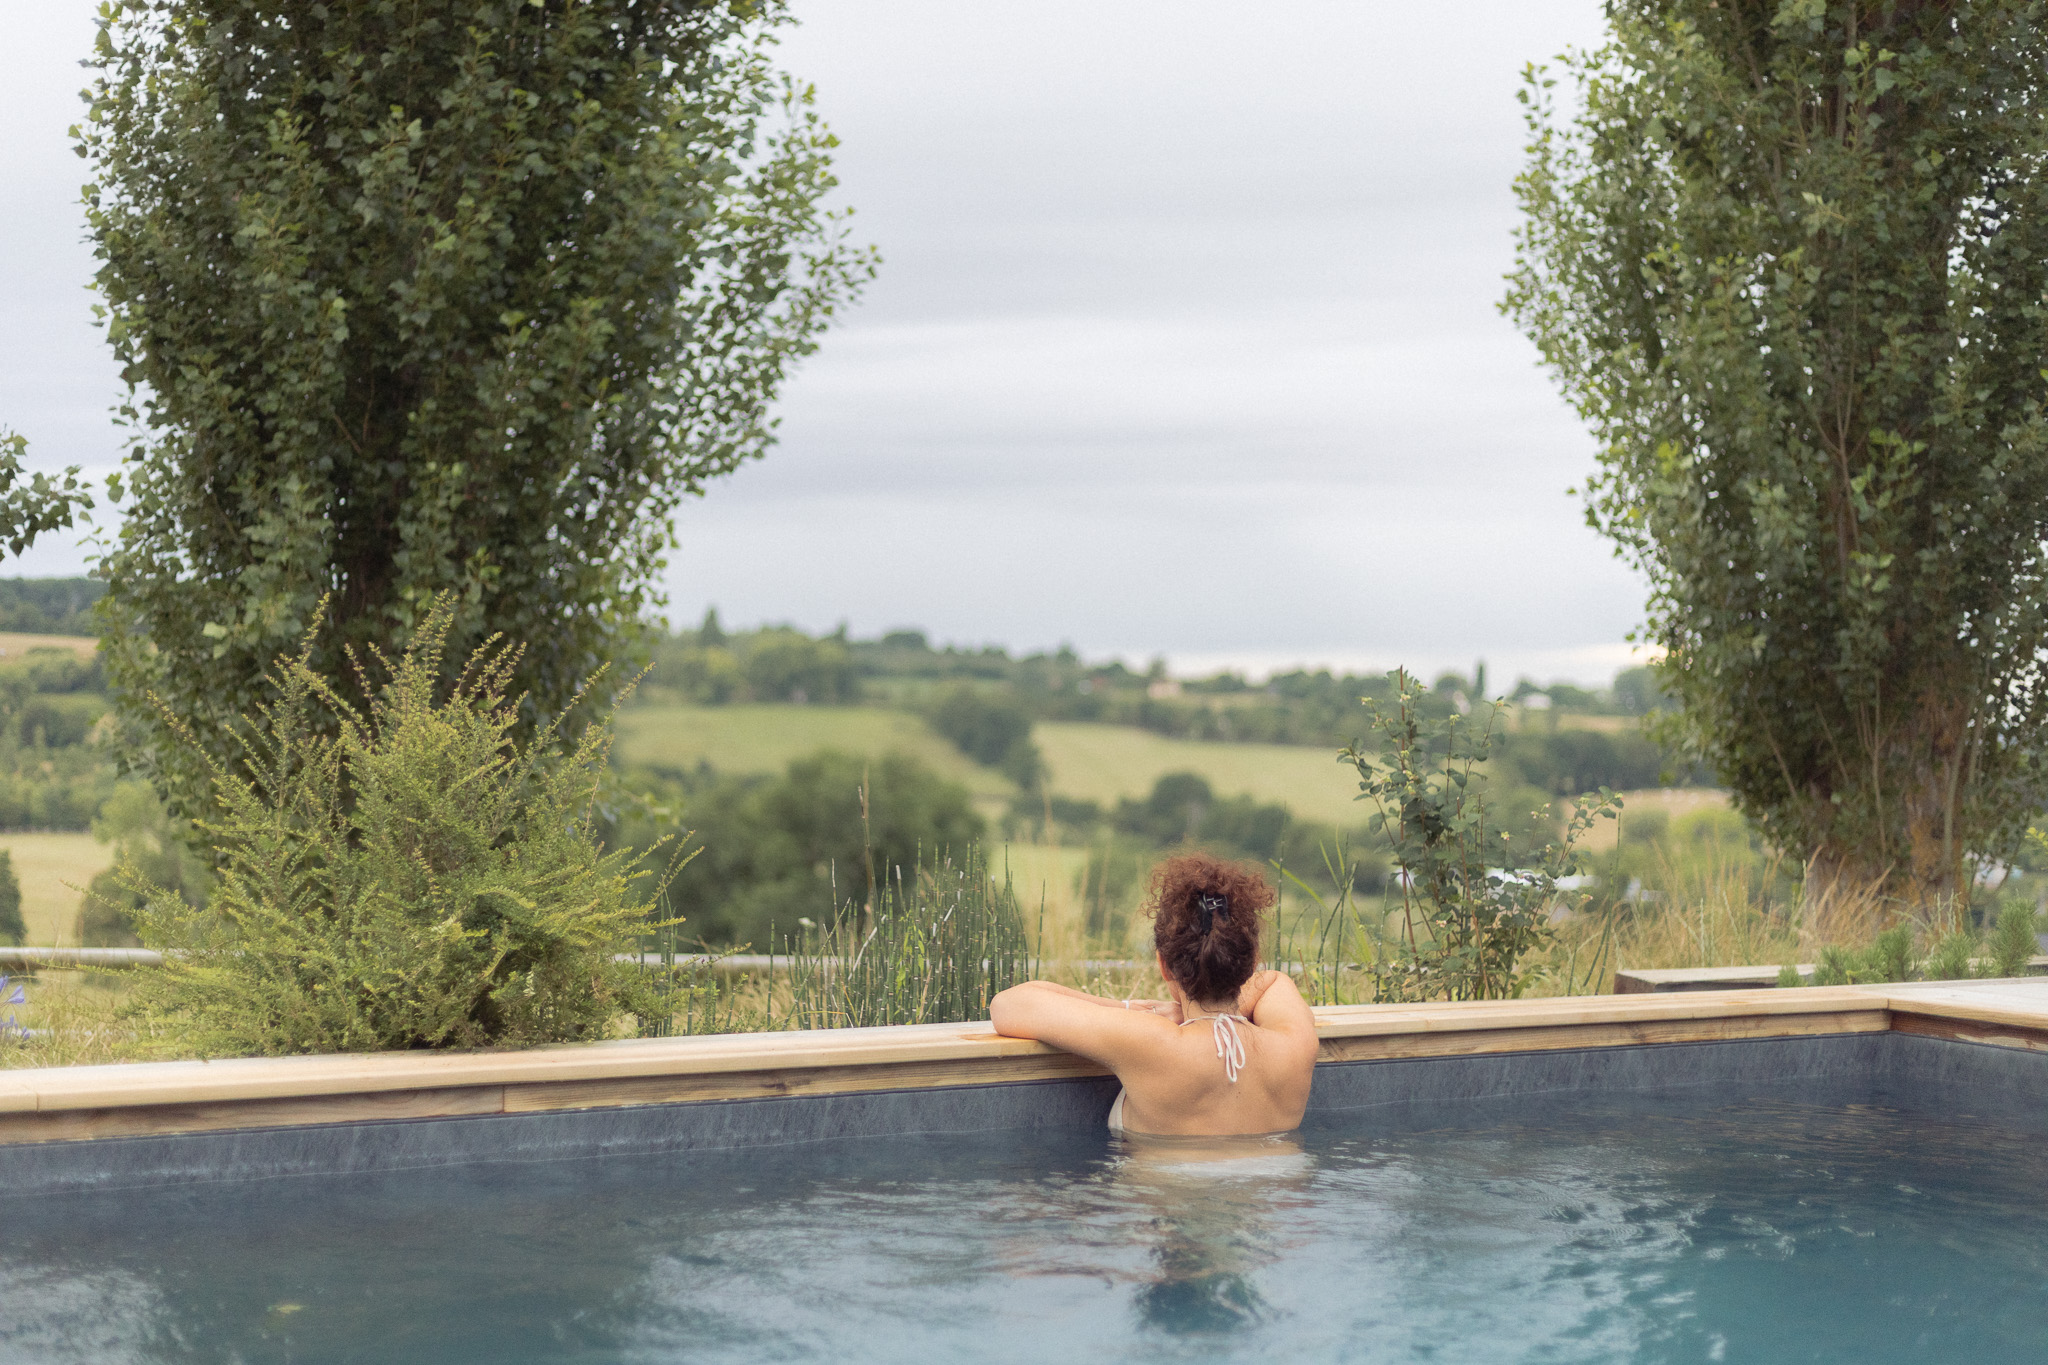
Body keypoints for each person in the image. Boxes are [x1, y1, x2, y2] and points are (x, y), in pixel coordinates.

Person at [989, 852, 1318, 1136]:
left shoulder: (1150, 1040)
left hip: (1169, 1203)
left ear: (1164, 965)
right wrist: (1202, 1008)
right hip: (1269, 1204)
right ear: (1252, 960)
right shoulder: (1295, 1046)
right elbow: (1273, 981)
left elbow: (1008, 1005)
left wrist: (1133, 1009)